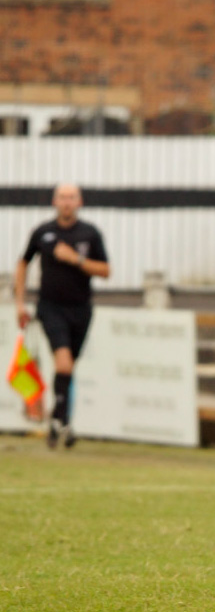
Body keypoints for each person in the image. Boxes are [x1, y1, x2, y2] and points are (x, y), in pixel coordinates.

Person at [14, 183, 110, 449]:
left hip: (81, 309)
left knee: (67, 369)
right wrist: (20, 303)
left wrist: (75, 260)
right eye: (62, 197)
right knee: (64, 364)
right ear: (54, 201)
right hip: (50, 308)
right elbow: (23, 263)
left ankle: (59, 422)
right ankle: (60, 422)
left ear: (79, 202)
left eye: (71, 197)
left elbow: (105, 270)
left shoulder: (89, 234)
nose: (66, 202)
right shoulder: (43, 233)